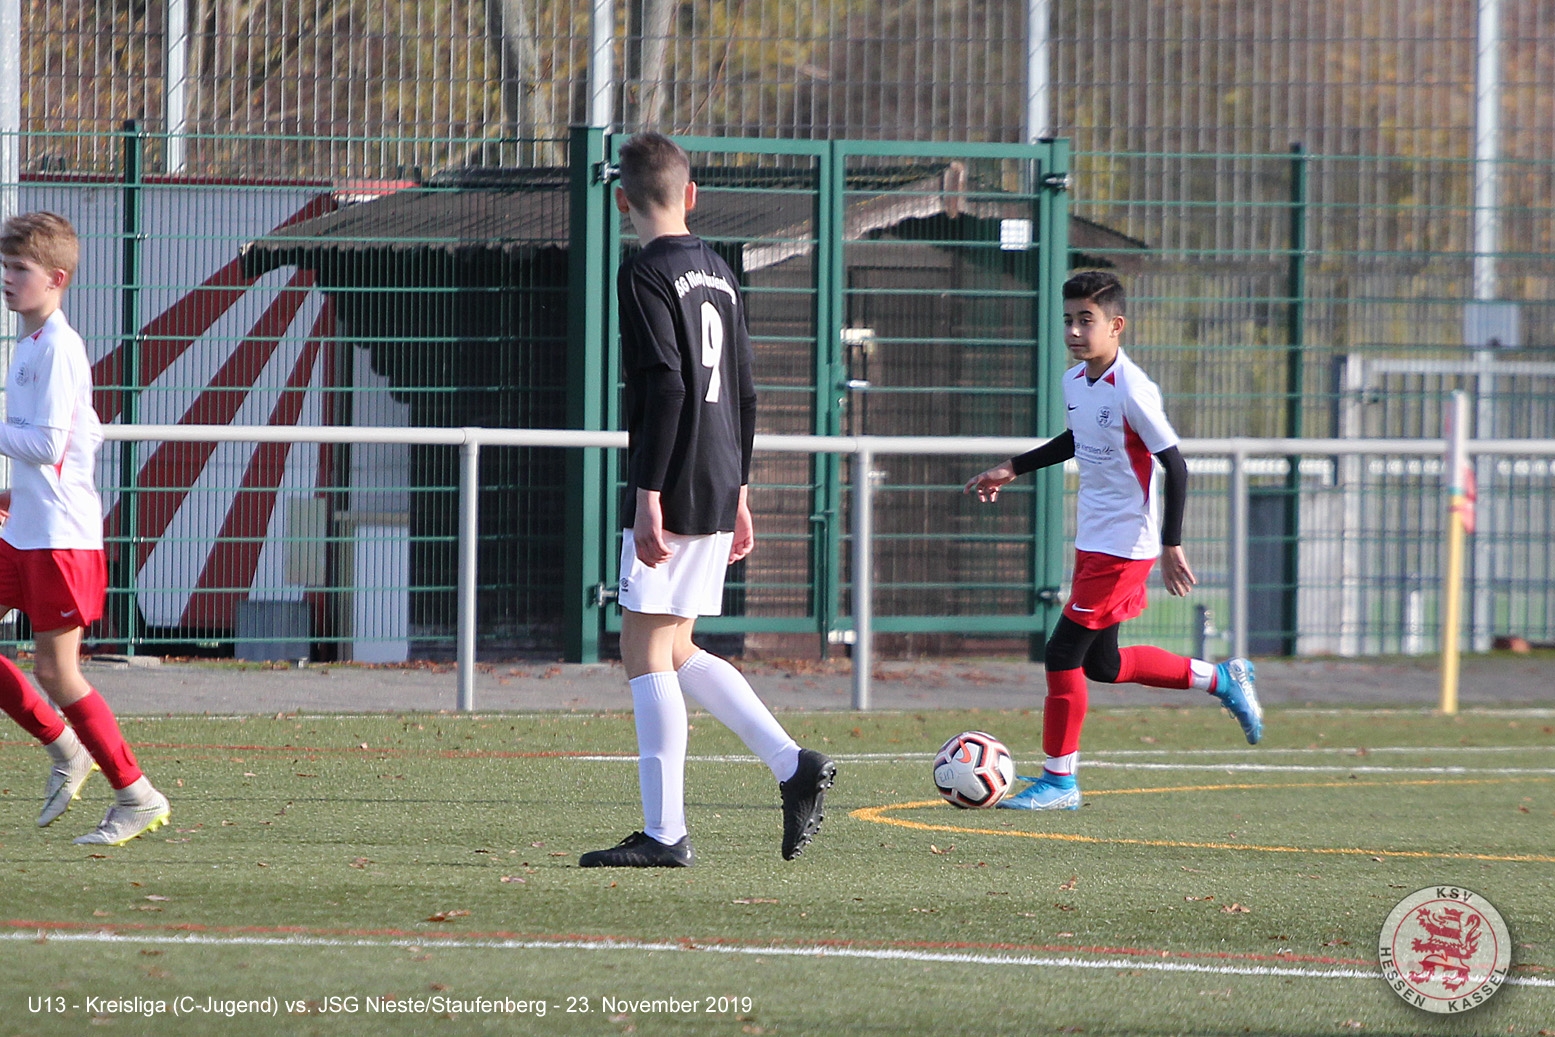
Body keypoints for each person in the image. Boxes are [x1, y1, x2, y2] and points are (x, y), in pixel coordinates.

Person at [579, 132, 834, 868]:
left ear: (620, 199)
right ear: (691, 195)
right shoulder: (719, 269)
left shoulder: (643, 271)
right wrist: (740, 490)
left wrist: (648, 494)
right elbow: (746, 390)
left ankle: (665, 833)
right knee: (677, 645)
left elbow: (665, 383)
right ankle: (793, 764)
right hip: (719, 471)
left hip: (678, 476)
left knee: (642, 649)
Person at [963, 270, 1262, 811]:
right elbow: (1078, 439)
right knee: (1103, 664)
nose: (1075, 331)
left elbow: (1176, 465)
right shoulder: (1074, 381)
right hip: (1094, 538)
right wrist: (1012, 467)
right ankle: (1220, 677)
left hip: (1125, 545)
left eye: (1087, 320)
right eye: (1068, 320)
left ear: (1116, 326)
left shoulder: (1133, 388)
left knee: (1061, 652)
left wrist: (1171, 544)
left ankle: (1060, 781)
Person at [0, 211, 171, 844]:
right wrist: (13, 495)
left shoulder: (60, 348)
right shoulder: (32, 345)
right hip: (26, 530)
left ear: (57, 278)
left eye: (20, 268)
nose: (8, 278)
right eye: (4, 266)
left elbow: (47, 445)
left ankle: (136, 794)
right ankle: (65, 747)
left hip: (60, 540)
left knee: (57, 673)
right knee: (51, 673)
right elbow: (71, 442)